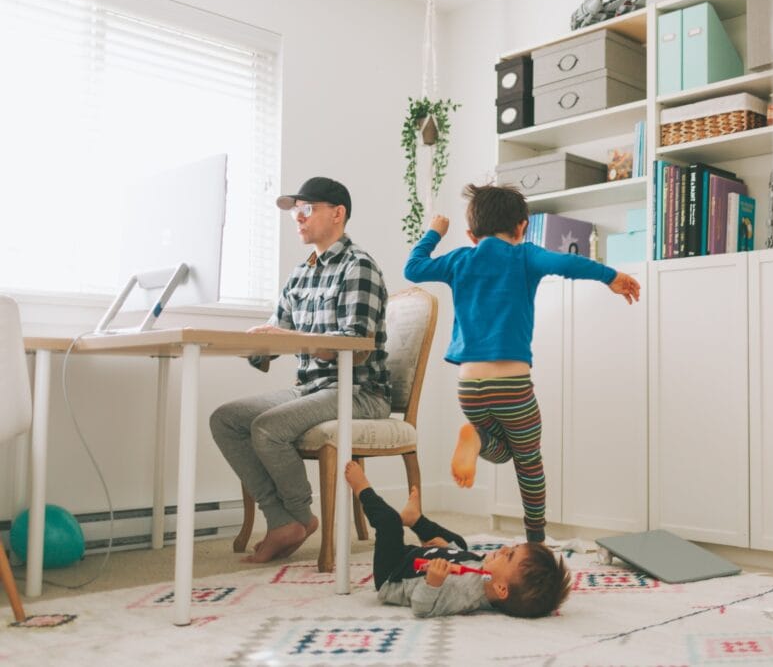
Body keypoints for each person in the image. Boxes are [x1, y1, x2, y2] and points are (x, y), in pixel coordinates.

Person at [403, 183, 641, 543]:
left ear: (471, 234)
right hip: (512, 385)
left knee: (500, 449)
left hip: (469, 386)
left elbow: (414, 268)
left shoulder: (459, 260)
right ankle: (535, 540)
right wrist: (611, 277)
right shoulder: (525, 255)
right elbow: (567, 263)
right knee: (528, 460)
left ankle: (477, 436)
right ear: (522, 227)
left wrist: (435, 231)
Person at [210, 176, 391, 563]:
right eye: (295, 212)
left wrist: (290, 336)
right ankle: (285, 520)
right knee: (226, 419)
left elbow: (355, 349)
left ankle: (296, 518)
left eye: (306, 210)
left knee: (268, 427)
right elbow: (278, 337)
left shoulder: (358, 267)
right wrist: (249, 343)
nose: (297, 218)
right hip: (310, 388)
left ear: (337, 214)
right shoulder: (301, 273)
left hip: (359, 392)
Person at [343, 460, 570, 618]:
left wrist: (433, 582)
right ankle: (415, 519)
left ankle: (362, 488)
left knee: (390, 522)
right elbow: (462, 557)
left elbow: (421, 608)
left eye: (509, 555)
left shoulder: (462, 594)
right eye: (512, 547)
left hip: (394, 572)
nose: (503, 548)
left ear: (501, 588)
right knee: (459, 544)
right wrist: (447, 549)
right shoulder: (485, 571)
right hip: (416, 556)